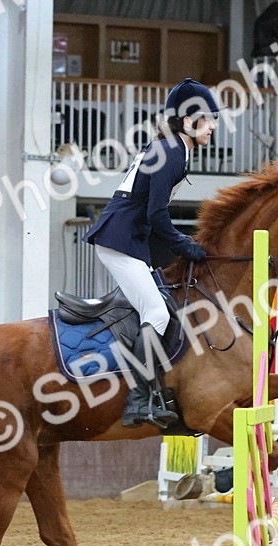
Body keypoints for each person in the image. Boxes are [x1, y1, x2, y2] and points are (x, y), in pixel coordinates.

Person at [83, 77, 220, 428]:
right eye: (208, 119)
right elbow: (156, 214)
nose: (214, 127)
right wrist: (183, 244)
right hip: (121, 240)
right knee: (157, 314)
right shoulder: (172, 152)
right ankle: (137, 400)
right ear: (189, 121)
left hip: (130, 238)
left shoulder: (172, 147)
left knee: (164, 304)